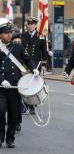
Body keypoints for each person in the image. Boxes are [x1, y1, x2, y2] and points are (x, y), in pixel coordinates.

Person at [0, 18, 39, 148]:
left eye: (10, 32)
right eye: (6, 32)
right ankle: (0, 138)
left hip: (15, 86)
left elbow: (27, 59)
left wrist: (34, 68)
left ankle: (10, 138)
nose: (9, 35)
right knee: (0, 112)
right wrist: (1, 80)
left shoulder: (17, 47)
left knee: (14, 114)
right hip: (1, 86)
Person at [21, 16, 47, 114]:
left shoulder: (41, 35)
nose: (30, 26)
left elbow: (44, 51)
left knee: (33, 85)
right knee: (25, 84)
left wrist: (44, 64)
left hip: (36, 64)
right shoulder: (22, 36)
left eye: (32, 24)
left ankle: (32, 105)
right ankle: (26, 104)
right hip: (24, 64)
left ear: (35, 25)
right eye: (28, 24)